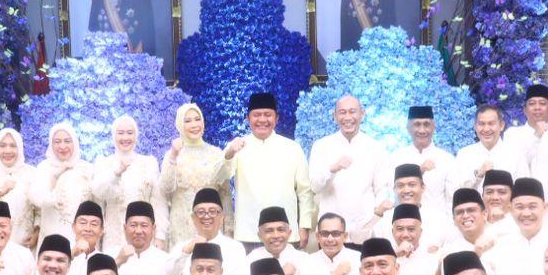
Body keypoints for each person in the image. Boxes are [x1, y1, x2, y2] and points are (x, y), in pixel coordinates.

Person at [226, 92, 315, 247]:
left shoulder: (292, 148)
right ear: (248, 118)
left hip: (286, 234)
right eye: (257, 115)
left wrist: (304, 225)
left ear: (277, 118)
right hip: (248, 234)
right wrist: (229, 154)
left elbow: (305, 191)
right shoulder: (237, 146)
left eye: (268, 115)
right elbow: (220, 176)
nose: (262, 120)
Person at [308, 95, 387, 243]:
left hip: (366, 230)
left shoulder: (376, 147)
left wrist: (376, 222)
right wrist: (332, 169)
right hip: (330, 233)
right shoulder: (321, 146)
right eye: (342, 112)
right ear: (335, 116)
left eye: (352, 112)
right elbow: (314, 187)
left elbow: (382, 189)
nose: (348, 117)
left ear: (362, 114)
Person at [158, 104, 232, 249]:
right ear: (180, 125)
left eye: (197, 119)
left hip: (211, 225)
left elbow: (225, 194)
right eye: (187, 121)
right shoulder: (172, 154)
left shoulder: (216, 154)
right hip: (181, 226)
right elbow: (165, 189)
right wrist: (173, 155)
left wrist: (228, 229)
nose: (194, 125)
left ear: (203, 123)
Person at [501, 86, 548, 229]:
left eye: (542, 103)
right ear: (524, 109)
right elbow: (514, 165)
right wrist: (537, 135)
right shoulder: (512, 135)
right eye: (532, 103)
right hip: (521, 212)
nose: (537, 108)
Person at [92, 114, 162, 252]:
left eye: (130, 133)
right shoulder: (104, 163)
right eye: (120, 133)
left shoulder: (149, 163)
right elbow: (98, 195)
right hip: (114, 235)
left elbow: (158, 201)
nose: (125, 138)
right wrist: (116, 174)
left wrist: (160, 235)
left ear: (136, 135)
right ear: (114, 135)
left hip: (143, 234)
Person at [167, 188, 246, 275]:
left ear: (222, 217)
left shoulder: (235, 248)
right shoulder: (181, 248)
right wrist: (185, 253)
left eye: (212, 211)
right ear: (193, 218)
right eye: (201, 212)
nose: (207, 216)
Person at [387, 105, 454, 221]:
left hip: (438, 223)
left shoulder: (447, 159)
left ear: (433, 127)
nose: (422, 130)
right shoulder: (396, 158)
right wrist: (419, 171)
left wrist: (447, 223)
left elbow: (451, 199)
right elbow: (391, 194)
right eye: (417, 124)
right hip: (404, 223)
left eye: (426, 124)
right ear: (408, 127)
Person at [31, 123, 94, 241]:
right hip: (52, 233)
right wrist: (55, 178)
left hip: (81, 235)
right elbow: (36, 197)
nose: (62, 146)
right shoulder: (43, 168)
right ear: (51, 144)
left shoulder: (87, 168)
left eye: (67, 141)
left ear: (74, 142)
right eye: (57, 142)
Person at [114, 201, 171, 275]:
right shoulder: (111, 255)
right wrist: (118, 260)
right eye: (133, 225)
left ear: (153, 229)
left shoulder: (165, 260)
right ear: (125, 228)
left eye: (144, 225)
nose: (138, 231)